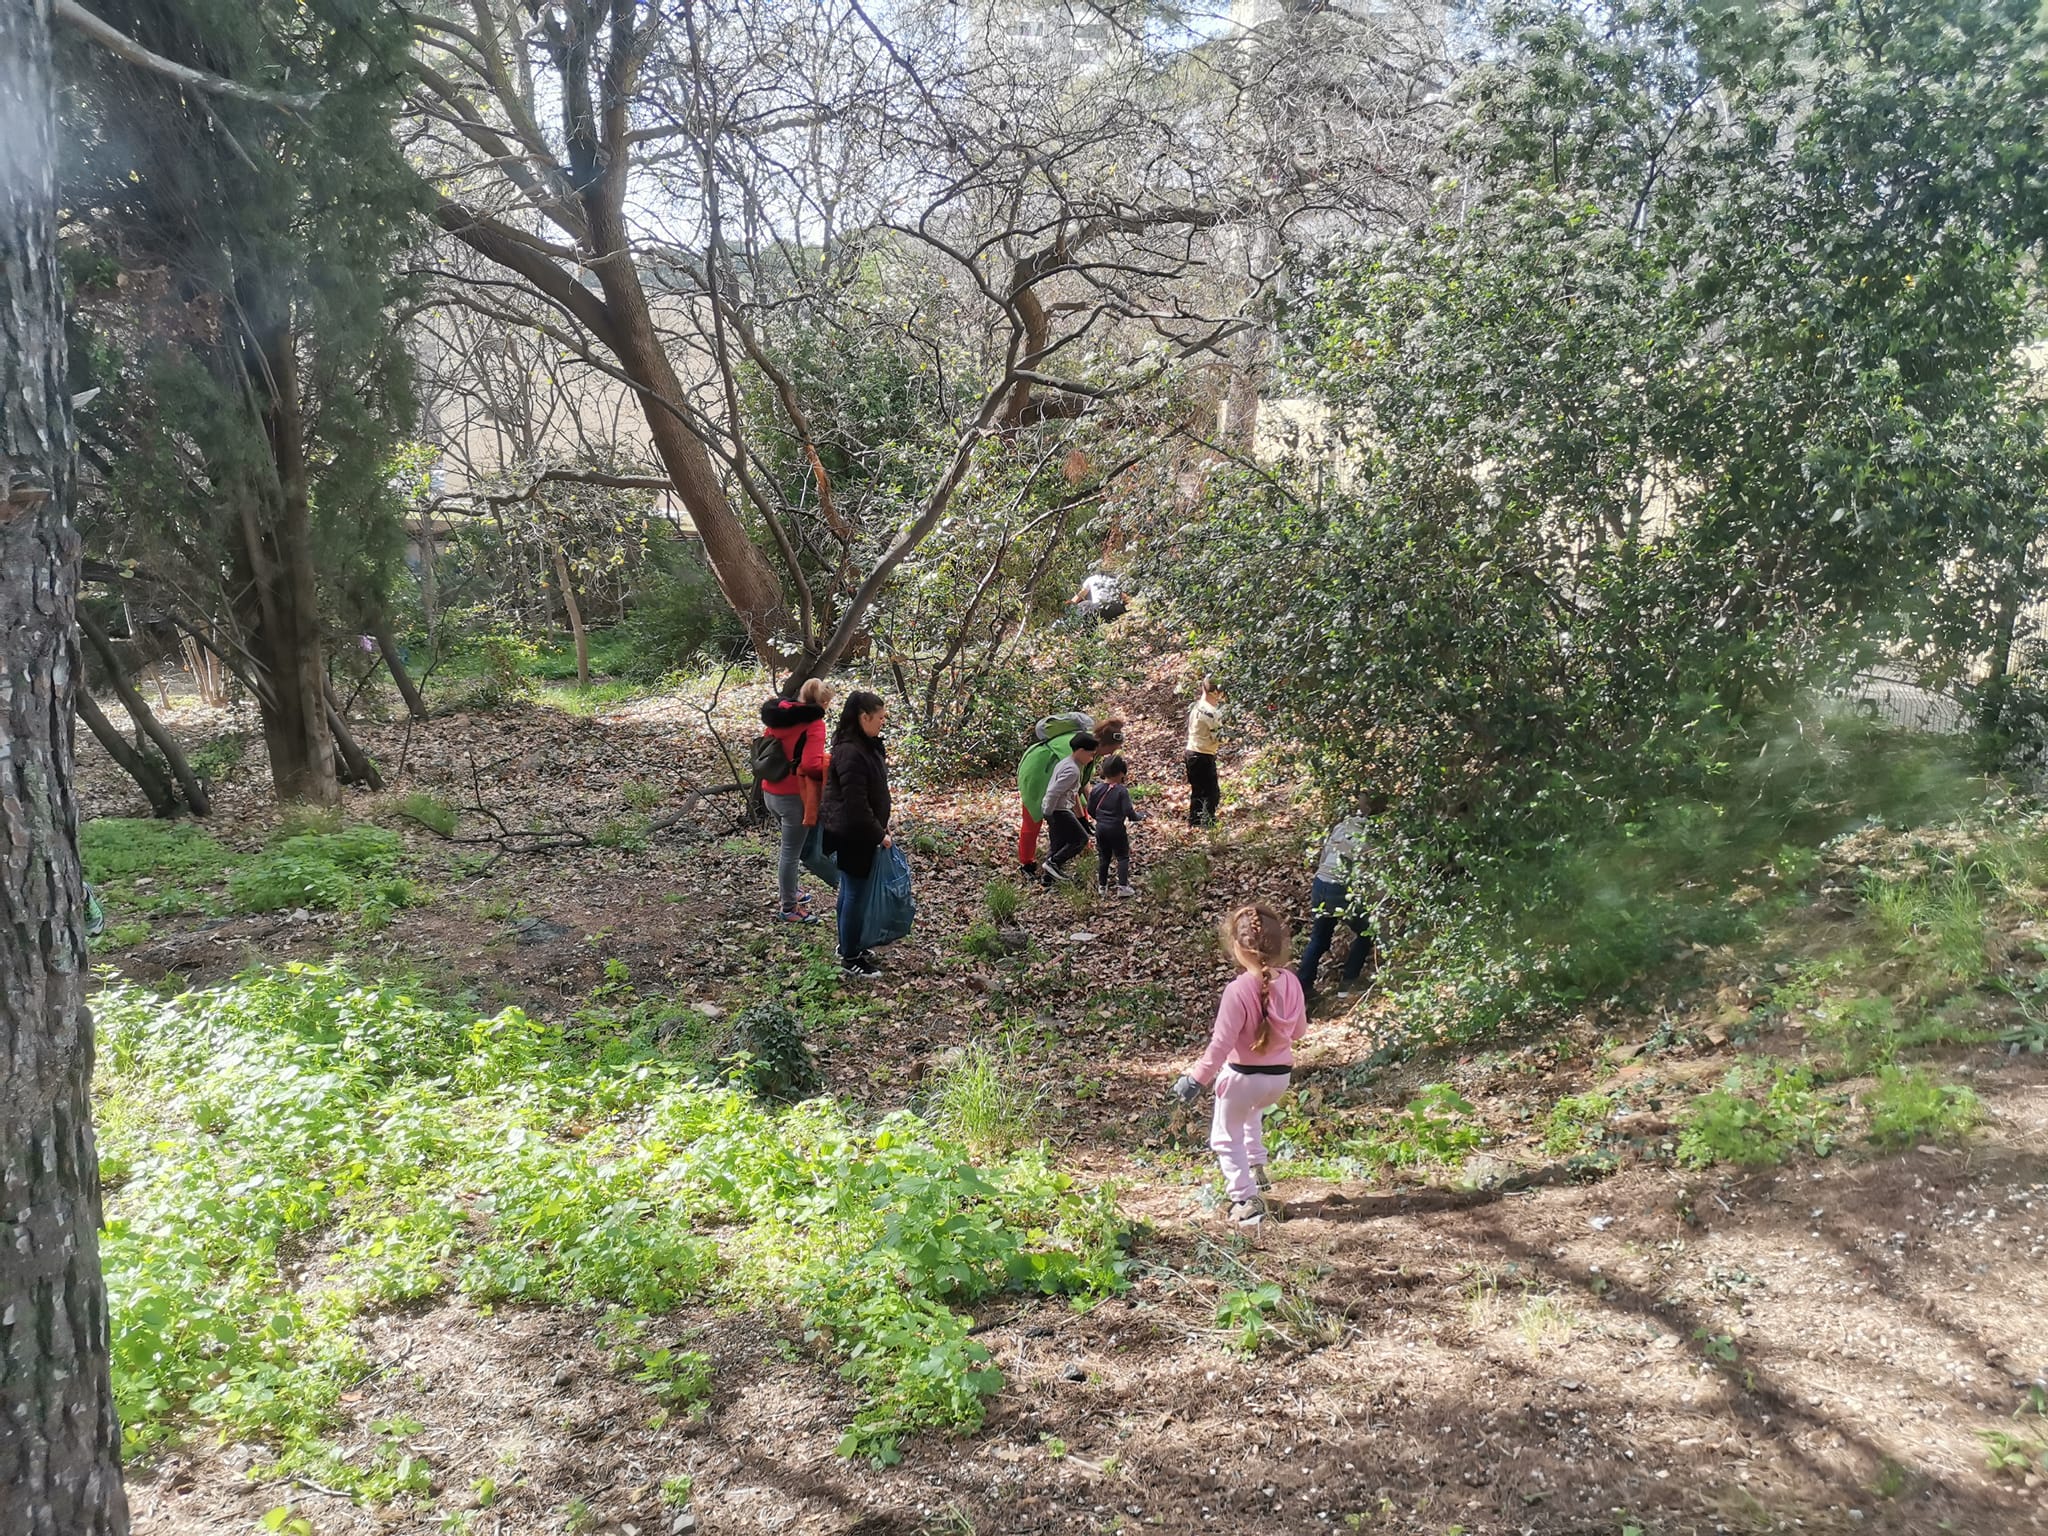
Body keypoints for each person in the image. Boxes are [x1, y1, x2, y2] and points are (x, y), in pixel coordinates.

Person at [1171, 905, 1309, 1226]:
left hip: (1243, 1079)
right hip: (1278, 1081)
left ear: (1238, 946)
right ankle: (1258, 1168)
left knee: (1224, 1135)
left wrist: (1196, 1080)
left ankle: (1245, 1199)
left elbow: (1220, 1045)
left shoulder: (1237, 991)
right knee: (1251, 1116)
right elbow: (1300, 1031)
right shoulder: (1291, 982)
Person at [820, 690, 893, 977]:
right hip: (853, 833)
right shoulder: (851, 751)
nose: (882, 723)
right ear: (864, 717)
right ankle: (851, 957)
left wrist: (881, 824)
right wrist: (879, 834)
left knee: (850, 890)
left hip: (857, 829)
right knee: (855, 894)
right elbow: (855, 804)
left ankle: (848, 945)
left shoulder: (863, 744)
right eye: (880, 718)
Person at [758, 678, 838, 922]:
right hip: (793, 797)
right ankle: (789, 908)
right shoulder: (813, 724)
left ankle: (791, 889)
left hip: (770, 790)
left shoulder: (779, 713)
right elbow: (811, 764)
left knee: (789, 850)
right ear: (823, 703)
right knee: (790, 853)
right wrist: (831, 763)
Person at [1016, 712, 1123, 875]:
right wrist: (1080, 819)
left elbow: (1082, 782)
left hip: (1060, 777)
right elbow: (1070, 786)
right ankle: (1027, 864)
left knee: (1078, 810)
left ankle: (1077, 852)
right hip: (1038, 772)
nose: (1110, 754)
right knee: (1033, 818)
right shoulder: (1080, 747)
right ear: (1103, 744)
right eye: (1112, 750)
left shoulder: (1091, 749)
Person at [1297, 813, 1377, 1004]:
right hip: (1341, 887)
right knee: (1367, 932)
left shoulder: (1343, 825)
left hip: (1321, 882)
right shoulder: (1373, 835)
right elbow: (1370, 873)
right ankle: (1348, 985)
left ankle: (1302, 988)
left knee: (1319, 939)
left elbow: (1325, 855)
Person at [1039, 731, 1099, 886]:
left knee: (1057, 843)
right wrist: (1049, 812)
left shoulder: (1066, 762)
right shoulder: (1072, 770)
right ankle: (1053, 863)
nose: (1091, 759)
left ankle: (1048, 880)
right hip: (1059, 810)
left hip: (1054, 808)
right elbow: (1054, 791)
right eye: (1090, 754)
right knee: (1080, 839)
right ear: (1080, 751)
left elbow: (1069, 793)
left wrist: (1081, 818)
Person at [1086, 754, 1143, 895]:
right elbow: (1128, 810)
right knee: (1122, 856)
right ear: (1121, 773)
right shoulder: (1121, 791)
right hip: (1116, 828)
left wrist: (1099, 818)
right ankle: (1123, 887)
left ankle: (1102, 887)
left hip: (1100, 828)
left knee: (1104, 857)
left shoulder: (1096, 789)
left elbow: (1090, 809)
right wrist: (1138, 817)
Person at [1185, 677, 1225, 826]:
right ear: (1216, 692)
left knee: (1197, 791)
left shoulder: (1197, 706)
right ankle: (1207, 823)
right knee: (1211, 793)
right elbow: (1219, 737)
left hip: (1191, 751)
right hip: (1203, 754)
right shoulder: (1212, 713)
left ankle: (1194, 821)